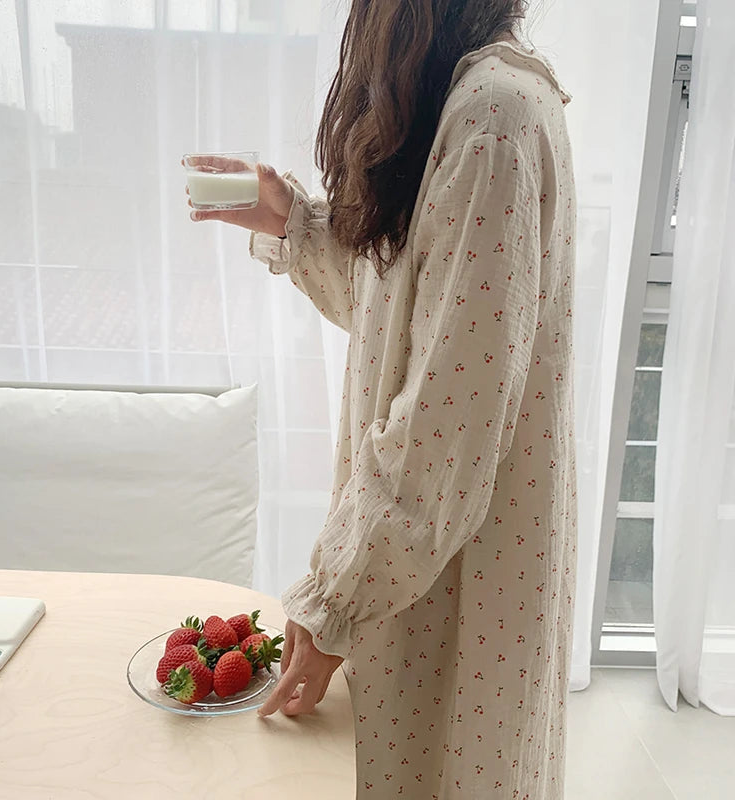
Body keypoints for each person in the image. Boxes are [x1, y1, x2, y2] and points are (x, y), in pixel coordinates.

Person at [186, 1, 577, 796]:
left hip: (456, 573)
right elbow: (404, 322)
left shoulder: (493, 117)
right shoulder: (468, 96)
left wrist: (336, 600)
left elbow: (445, 427)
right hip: (428, 557)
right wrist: (296, 225)